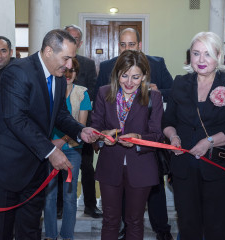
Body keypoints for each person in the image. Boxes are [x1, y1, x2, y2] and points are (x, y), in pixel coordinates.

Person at [0, 29, 99, 240]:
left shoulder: (57, 77)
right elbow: (15, 119)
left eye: (71, 59)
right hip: (3, 169)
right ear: (48, 51)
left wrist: (79, 130)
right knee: (0, 233)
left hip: (33, 170)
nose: (69, 66)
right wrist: (51, 152)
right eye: (65, 58)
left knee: (30, 231)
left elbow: (59, 114)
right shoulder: (18, 71)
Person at [162, 32, 225, 240]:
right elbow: (167, 122)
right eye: (196, 53)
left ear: (218, 56)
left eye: (207, 54)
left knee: (218, 228)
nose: (201, 60)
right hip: (184, 168)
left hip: (218, 167)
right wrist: (173, 137)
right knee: (188, 226)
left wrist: (209, 142)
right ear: (189, 56)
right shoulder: (180, 82)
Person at [95, 27, 173, 240]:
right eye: (125, 76)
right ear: (116, 74)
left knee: (135, 221)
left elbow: (157, 134)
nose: (129, 82)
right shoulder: (104, 93)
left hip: (142, 166)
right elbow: (95, 127)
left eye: (136, 77)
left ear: (145, 76)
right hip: (110, 164)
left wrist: (139, 140)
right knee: (110, 220)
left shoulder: (153, 97)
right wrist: (103, 136)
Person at [44, 58, 92, 239]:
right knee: (49, 196)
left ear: (76, 74)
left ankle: (67, 236)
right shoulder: (49, 91)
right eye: (66, 71)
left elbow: (81, 125)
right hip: (48, 150)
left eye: (72, 72)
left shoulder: (82, 93)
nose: (69, 75)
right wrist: (51, 145)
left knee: (70, 197)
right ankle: (50, 235)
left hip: (72, 149)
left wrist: (62, 141)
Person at [64, 24, 102, 219]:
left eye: (75, 39)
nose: (72, 41)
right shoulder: (56, 60)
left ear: (79, 43)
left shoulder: (87, 64)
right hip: (59, 128)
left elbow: (94, 92)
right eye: (68, 37)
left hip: (83, 124)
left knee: (87, 167)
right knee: (60, 169)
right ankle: (60, 207)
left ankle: (90, 205)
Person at [95, 28, 173, 102]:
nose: (127, 49)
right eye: (123, 45)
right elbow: (97, 98)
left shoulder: (157, 64)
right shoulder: (106, 67)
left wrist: (157, 92)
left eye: (131, 44)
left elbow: (173, 92)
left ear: (139, 45)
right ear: (119, 46)